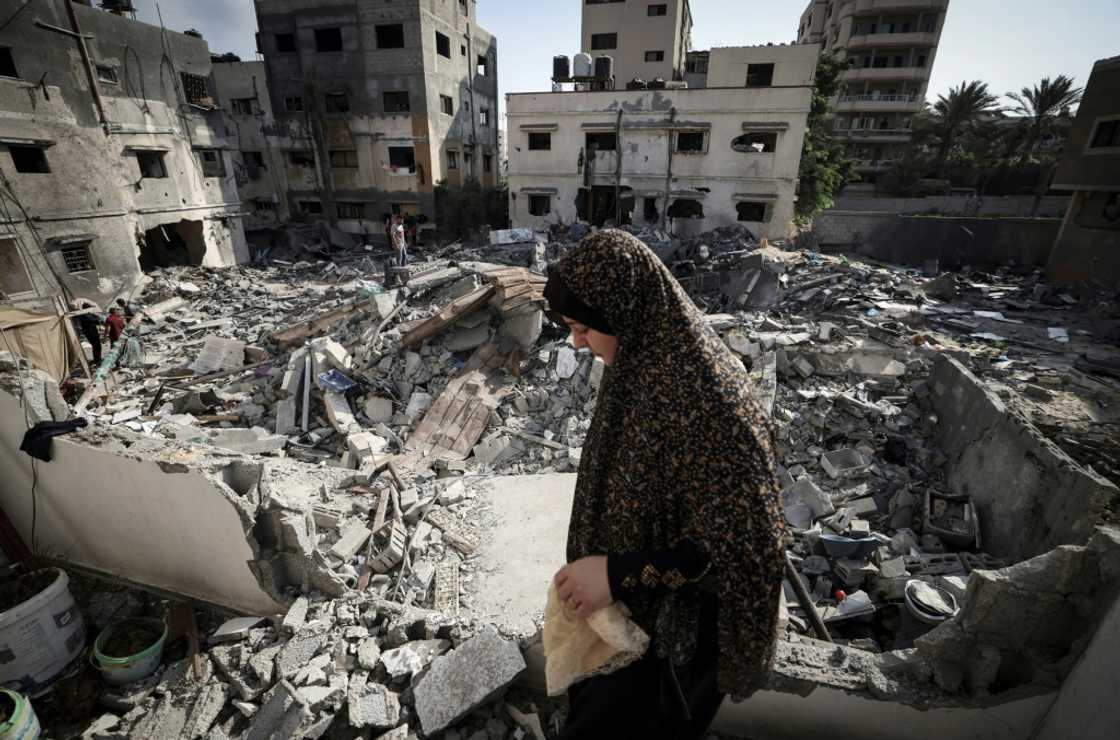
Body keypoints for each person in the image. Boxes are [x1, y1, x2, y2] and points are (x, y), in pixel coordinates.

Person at [544, 230, 785, 740]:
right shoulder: (644, 363)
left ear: (623, 311)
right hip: (629, 627)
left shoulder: (708, 400)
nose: (576, 342)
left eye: (584, 327)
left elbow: (740, 548)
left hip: (673, 649)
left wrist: (616, 572)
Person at [71, 298, 103, 366]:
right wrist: (98, 318)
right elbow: (96, 320)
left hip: (87, 331)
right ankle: (97, 361)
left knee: (95, 346)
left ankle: (96, 360)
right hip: (91, 331)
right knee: (97, 346)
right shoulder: (87, 314)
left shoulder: (81, 315)